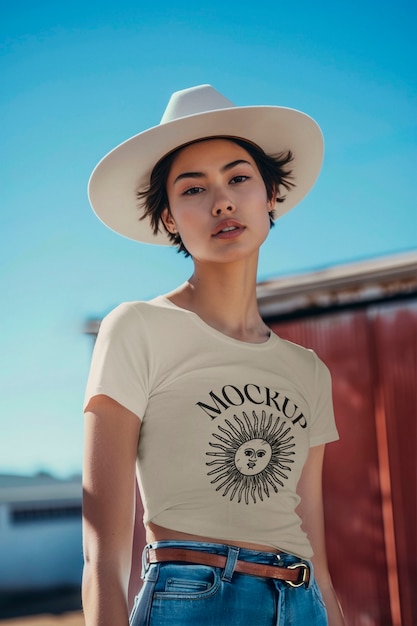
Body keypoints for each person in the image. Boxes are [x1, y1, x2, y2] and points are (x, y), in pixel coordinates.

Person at [82, 84, 345, 626]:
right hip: (195, 598)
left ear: (271, 196)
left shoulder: (309, 372)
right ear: (170, 219)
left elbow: (313, 547)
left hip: (303, 603)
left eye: (239, 177)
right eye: (193, 188)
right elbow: (102, 557)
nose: (222, 200)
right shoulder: (136, 327)